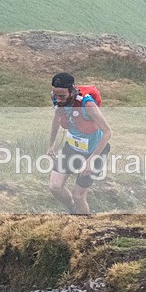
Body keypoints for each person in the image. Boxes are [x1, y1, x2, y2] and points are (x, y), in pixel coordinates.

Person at [47, 72, 112, 215]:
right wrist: (51, 145)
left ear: (72, 90)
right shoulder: (57, 99)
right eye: (55, 94)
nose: (58, 99)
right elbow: (57, 117)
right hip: (71, 148)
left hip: (94, 152)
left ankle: (85, 225)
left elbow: (108, 132)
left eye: (62, 95)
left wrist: (91, 160)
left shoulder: (87, 104)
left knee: (79, 196)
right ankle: (73, 210)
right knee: (55, 187)